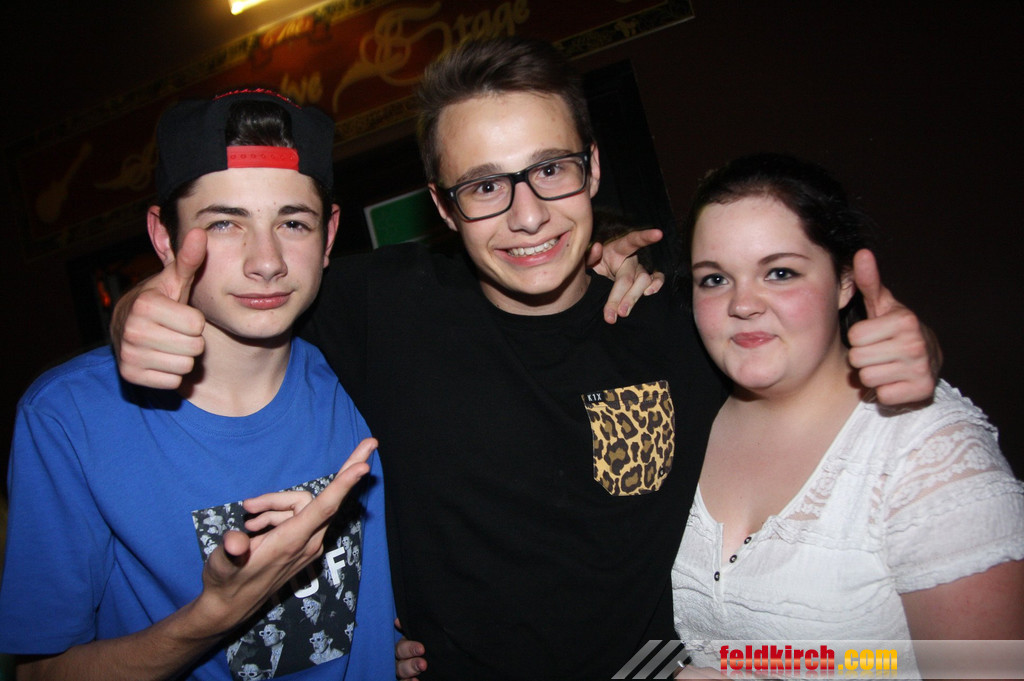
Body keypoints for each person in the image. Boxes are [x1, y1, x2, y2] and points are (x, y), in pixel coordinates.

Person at [111, 40, 938, 680]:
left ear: (593, 166)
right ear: (442, 207)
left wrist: (917, 348)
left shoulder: (677, 318)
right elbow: (248, 284)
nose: (528, 214)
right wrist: (133, 313)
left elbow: (806, 344)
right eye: (484, 186)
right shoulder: (380, 307)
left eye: (550, 169)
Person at [0, 90, 397, 680]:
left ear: (330, 234)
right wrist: (214, 616)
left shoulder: (367, 364)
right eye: (225, 223)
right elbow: (39, 673)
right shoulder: (70, 416)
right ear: (164, 237)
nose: (267, 261)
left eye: (293, 222)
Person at [670, 153, 1024, 672]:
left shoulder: (927, 455)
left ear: (844, 281)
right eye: (715, 279)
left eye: (780, 272)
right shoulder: (686, 406)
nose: (743, 304)